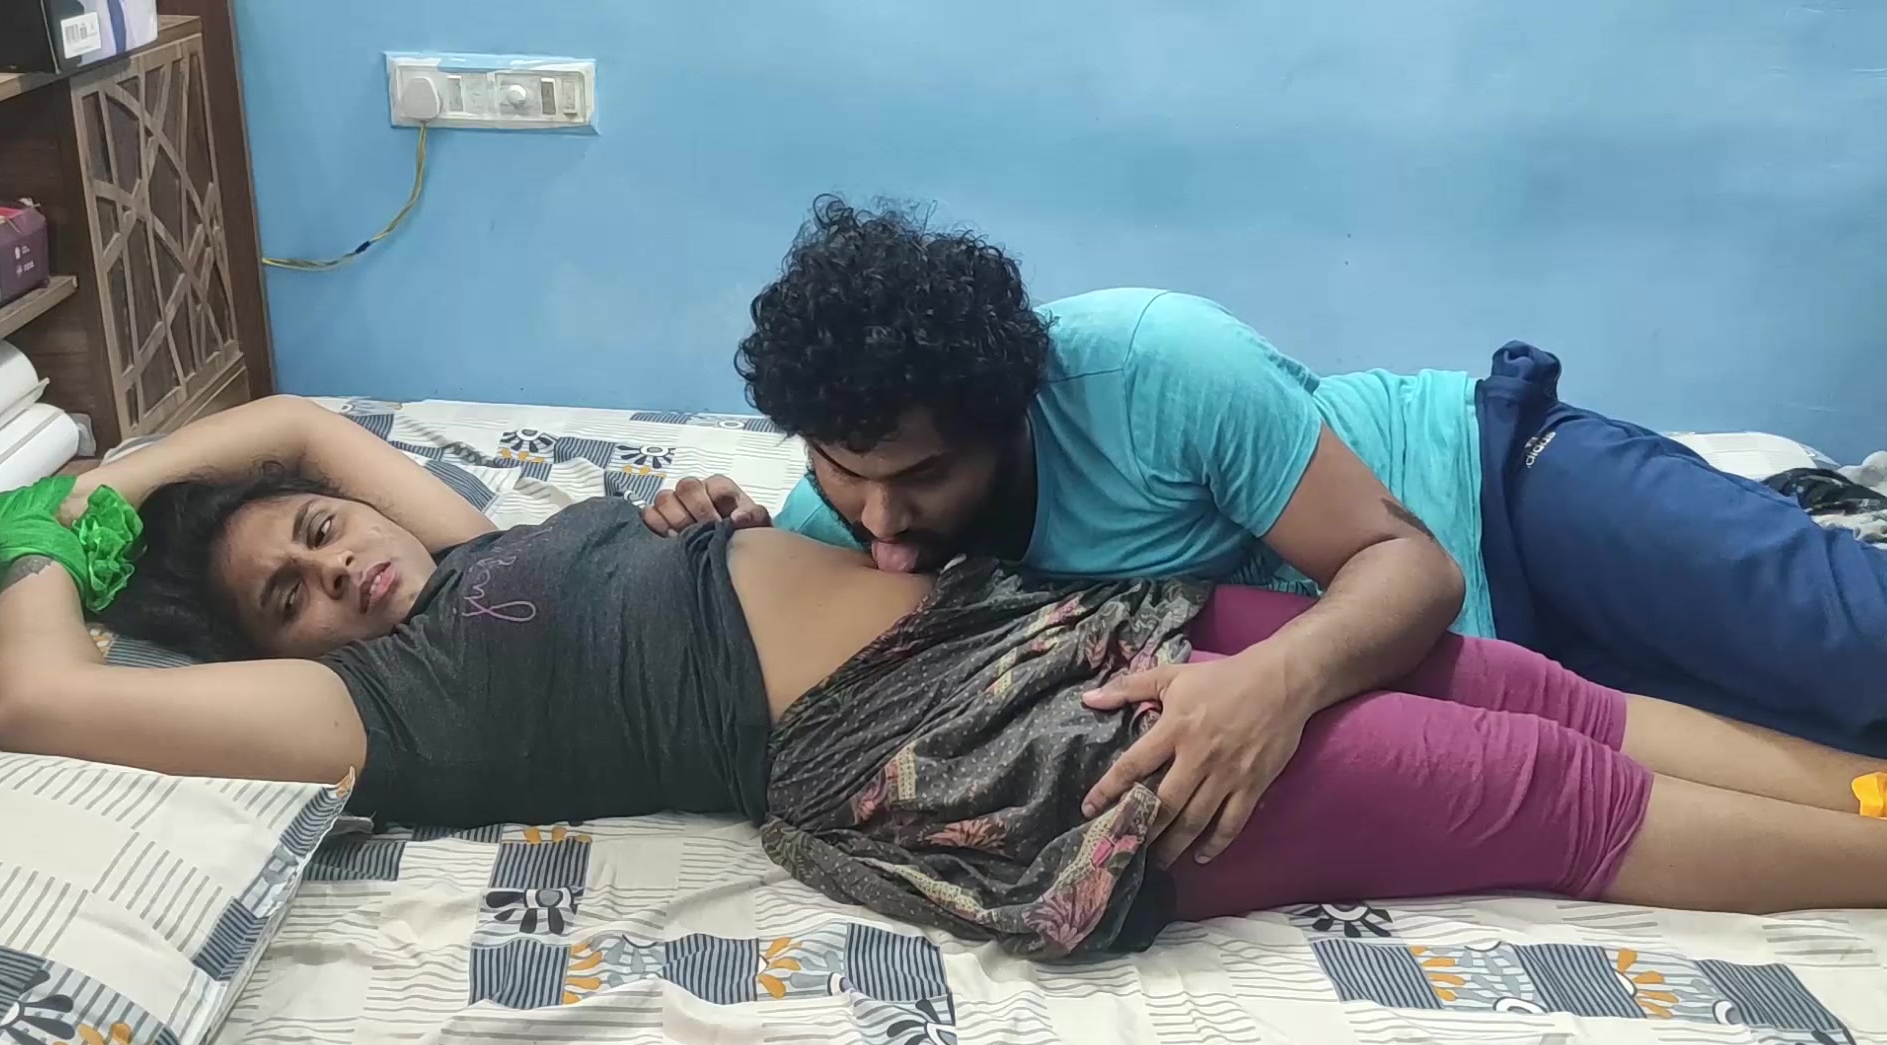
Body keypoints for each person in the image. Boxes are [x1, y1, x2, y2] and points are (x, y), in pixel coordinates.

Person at [0, 396, 1887, 958]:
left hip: (1038, 624)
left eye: (316, 531)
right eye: (295, 594)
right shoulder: (385, 712)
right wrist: (53, 534)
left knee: (1512, 690)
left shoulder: (475, 548)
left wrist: (144, 473)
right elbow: (40, 704)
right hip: (979, 753)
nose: (336, 562)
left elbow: (302, 418)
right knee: (1540, 799)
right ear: (282, 661)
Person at [651, 197, 1887, 860]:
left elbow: (1410, 565)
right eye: (842, 473)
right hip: (1503, 667)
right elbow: (728, 637)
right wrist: (707, 535)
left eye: (923, 477)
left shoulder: (1157, 364)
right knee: (1825, 752)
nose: (883, 523)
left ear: (1007, 414)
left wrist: (1272, 685)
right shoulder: (836, 524)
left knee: (1857, 653)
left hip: (1503, 489)